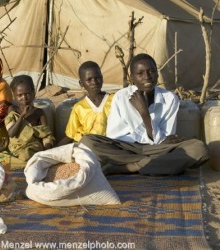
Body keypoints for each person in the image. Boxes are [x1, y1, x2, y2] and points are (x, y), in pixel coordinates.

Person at [80, 53, 208, 176]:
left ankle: (129, 167)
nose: (147, 77)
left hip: (157, 149)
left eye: (151, 71)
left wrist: (144, 114)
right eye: (140, 73)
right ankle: (154, 164)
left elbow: (167, 139)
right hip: (126, 148)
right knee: (87, 142)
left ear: (157, 74)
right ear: (132, 78)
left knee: (198, 149)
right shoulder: (121, 96)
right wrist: (149, 143)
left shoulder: (169, 99)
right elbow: (114, 135)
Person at [4, 75, 55, 169]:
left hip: (32, 147)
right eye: (20, 95)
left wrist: (46, 150)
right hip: (15, 148)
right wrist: (22, 116)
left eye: (27, 93)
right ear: (14, 96)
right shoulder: (12, 110)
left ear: (33, 93)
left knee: (26, 155)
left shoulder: (39, 112)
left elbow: (46, 135)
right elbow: (11, 133)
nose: (24, 97)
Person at [58, 61, 113, 146]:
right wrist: (55, 149)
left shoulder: (114, 100)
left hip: (111, 143)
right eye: (89, 79)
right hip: (86, 145)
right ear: (81, 83)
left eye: (97, 77)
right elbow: (71, 135)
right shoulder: (79, 107)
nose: (94, 82)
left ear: (102, 78)